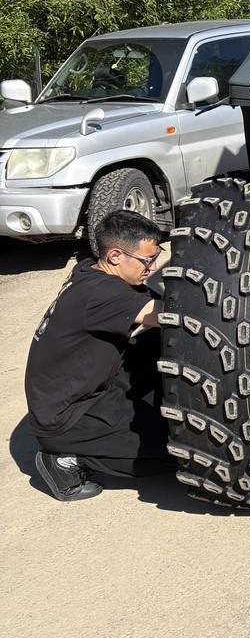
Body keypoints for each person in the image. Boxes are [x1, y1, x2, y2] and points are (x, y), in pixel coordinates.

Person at [25, 209, 174, 501]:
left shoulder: (88, 268)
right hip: (69, 418)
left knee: (161, 343)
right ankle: (66, 460)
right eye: (147, 260)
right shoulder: (103, 293)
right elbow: (168, 314)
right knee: (184, 451)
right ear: (116, 256)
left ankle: (156, 411)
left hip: (86, 383)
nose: (153, 266)